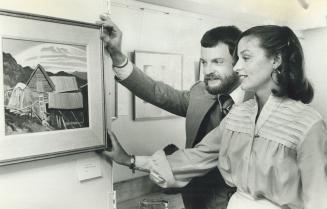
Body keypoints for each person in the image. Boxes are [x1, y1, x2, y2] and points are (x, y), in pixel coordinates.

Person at [102, 25, 327, 209]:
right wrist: (128, 160)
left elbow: (317, 198)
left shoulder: (307, 123)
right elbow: (196, 155)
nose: (238, 67)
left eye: (244, 58)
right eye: (204, 62)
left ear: (276, 60)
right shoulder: (236, 113)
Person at [97, 14, 251, 209]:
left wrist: (130, 160)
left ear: (238, 63)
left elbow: (201, 156)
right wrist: (118, 57)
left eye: (217, 61)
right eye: (204, 62)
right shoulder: (200, 92)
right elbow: (158, 93)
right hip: (194, 199)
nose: (207, 70)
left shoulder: (257, 106)